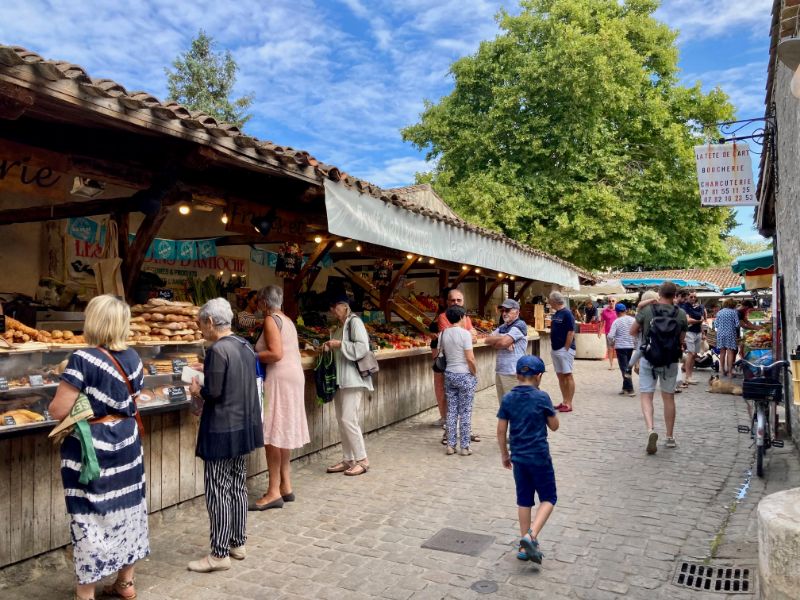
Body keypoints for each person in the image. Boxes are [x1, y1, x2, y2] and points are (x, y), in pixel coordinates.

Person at [48, 295, 149, 600]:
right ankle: (125, 583)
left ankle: (85, 593)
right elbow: (134, 397)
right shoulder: (133, 357)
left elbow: (58, 410)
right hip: (128, 444)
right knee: (129, 508)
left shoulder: (82, 358)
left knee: (89, 516)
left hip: (95, 448)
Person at [188, 298, 264, 572]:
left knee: (218, 491)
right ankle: (238, 542)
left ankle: (219, 554)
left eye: (201, 324)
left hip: (221, 429)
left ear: (210, 322)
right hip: (243, 427)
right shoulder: (244, 345)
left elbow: (214, 392)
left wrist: (198, 390)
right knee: (237, 486)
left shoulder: (218, 350)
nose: (201, 329)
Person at [252, 285, 310, 510]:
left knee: (272, 434)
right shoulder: (287, 320)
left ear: (264, 303)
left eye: (259, 303)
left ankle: (273, 492)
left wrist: (251, 355)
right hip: (294, 377)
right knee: (283, 431)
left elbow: (275, 354)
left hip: (279, 379)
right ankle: (286, 485)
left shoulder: (270, 320)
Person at [496, 355, 559, 564]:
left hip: (519, 458)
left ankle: (524, 547)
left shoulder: (508, 398)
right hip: (539, 456)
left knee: (524, 500)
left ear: (517, 375)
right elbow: (554, 425)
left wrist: (505, 454)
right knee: (549, 498)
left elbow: (501, 430)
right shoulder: (542, 397)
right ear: (539, 376)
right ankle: (531, 536)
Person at [629, 282, 687, 454]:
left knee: (646, 396)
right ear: (674, 295)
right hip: (670, 360)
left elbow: (632, 331)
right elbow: (681, 339)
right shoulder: (681, 313)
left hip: (649, 359)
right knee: (668, 398)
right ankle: (669, 437)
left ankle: (650, 429)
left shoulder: (648, 311)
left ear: (659, 294)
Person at [323, 296, 372, 476]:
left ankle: (362, 460)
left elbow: (362, 347)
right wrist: (329, 346)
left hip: (353, 378)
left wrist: (339, 344)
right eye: (331, 308)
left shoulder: (355, 323)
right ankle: (348, 459)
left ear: (344, 307)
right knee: (341, 420)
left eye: (335, 307)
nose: (332, 311)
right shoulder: (340, 326)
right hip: (340, 379)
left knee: (348, 419)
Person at [434, 287, 479, 444]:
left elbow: (473, 334)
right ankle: (455, 437)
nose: (455, 303)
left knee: (458, 406)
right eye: (452, 300)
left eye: (458, 300)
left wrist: (468, 334)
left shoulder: (465, 317)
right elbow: (461, 337)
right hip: (450, 366)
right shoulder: (443, 317)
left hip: (457, 369)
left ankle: (455, 438)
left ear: (463, 301)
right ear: (447, 302)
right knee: (457, 405)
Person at [439, 306, 478, 455]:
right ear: (462, 317)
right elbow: (470, 358)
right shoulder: (465, 334)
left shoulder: (443, 334)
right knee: (465, 411)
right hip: (464, 374)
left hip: (449, 374)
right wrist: (474, 372)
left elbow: (442, 353)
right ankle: (465, 446)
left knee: (452, 411)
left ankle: (450, 445)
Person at [484, 298, 529, 403]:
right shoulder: (503, 327)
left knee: (514, 406)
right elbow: (487, 340)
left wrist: (501, 341)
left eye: (507, 310)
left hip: (513, 372)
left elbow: (503, 343)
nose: (504, 313)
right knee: (504, 406)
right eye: (502, 310)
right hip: (500, 371)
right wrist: (503, 338)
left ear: (517, 312)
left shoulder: (520, 324)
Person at [548, 291, 576, 413]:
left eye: (550, 300)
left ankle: (569, 403)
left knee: (568, 375)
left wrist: (566, 348)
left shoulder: (567, 314)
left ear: (554, 301)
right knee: (560, 376)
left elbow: (571, 332)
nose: (549, 302)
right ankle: (564, 401)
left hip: (564, 349)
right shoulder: (557, 314)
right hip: (555, 348)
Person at [606, 303, 636, 396]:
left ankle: (630, 389)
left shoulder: (617, 321)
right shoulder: (633, 320)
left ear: (617, 312)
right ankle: (625, 387)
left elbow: (610, 336)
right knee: (628, 366)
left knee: (624, 368)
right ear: (625, 310)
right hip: (631, 346)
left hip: (621, 347)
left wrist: (612, 343)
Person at [678, 291, 706, 386]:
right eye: (691, 296)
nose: (693, 298)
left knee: (694, 355)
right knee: (691, 353)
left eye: (694, 297)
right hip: (689, 331)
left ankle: (690, 376)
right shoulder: (684, 306)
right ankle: (687, 377)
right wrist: (698, 320)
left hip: (697, 332)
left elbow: (702, 320)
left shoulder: (699, 307)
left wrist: (702, 332)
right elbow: (688, 320)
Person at [715, 298, 740, 379]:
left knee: (722, 353)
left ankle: (722, 371)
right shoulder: (734, 312)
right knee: (730, 352)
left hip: (720, 334)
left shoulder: (719, 312)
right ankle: (729, 372)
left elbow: (715, 324)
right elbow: (737, 324)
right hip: (730, 333)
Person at [599, 297, 618, 370]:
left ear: (616, 302)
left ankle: (621, 363)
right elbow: (602, 322)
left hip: (618, 332)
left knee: (619, 348)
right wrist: (600, 331)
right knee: (610, 349)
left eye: (613, 301)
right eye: (609, 301)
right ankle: (611, 364)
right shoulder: (604, 311)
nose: (611, 302)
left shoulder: (618, 310)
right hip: (609, 332)